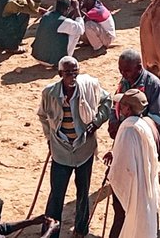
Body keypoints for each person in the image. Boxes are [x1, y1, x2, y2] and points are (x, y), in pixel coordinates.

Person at [37, 56, 111, 238]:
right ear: (60, 74)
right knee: (56, 195)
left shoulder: (88, 87)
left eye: (75, 72)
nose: (72, 77)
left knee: (83, 193)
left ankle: (80, 230)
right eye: (68, 73)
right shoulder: (50, 93)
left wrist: (96, 122)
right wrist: (49, 138)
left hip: (84, 149)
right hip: (60, 152)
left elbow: (107, 101)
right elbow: (42, 116)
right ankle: (50, 233)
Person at [105, 88, 160, 238]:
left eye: (122, 105)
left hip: (132, 188)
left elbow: (126, 168)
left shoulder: (128, 130)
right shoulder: (147, 124)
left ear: (128, 109)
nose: (120, 108)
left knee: (122, 222)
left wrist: (112, 171)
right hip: (146, 185)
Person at [31, 0, 86, 65]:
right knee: (76, 32)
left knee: (69, 29)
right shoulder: (64, 22)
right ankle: (66, 58)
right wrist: (77, 8)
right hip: (51, 61)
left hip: (37, 56)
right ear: (67, 9)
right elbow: (81, 29)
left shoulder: (46, 15)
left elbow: (65, 20)